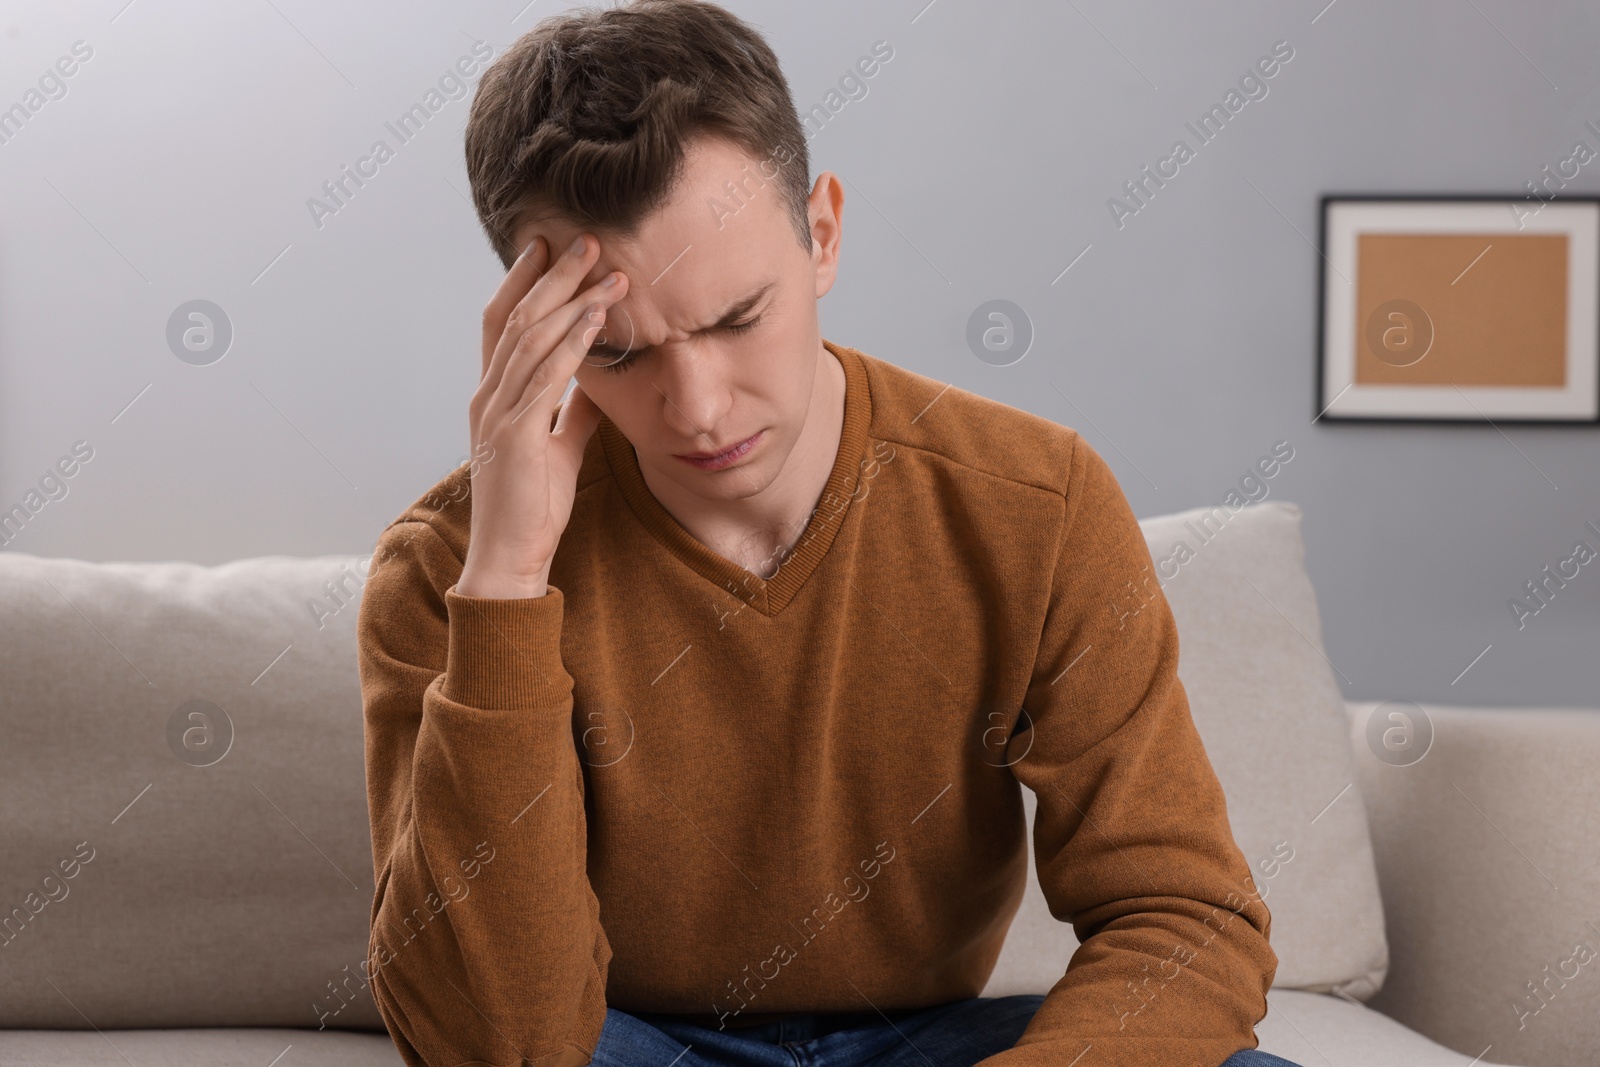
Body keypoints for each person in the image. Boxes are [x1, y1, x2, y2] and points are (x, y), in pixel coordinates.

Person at [355, 2, 1302, 1065]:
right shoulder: (444, 566)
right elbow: (499, 1045)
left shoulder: (1038, 502)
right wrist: (507, 581)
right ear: (528, 327)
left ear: (822, 234)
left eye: (735, 317)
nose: (700, 407)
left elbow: (1184, 917)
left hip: (933, 1042)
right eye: (617, 354)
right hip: (625, 1043)